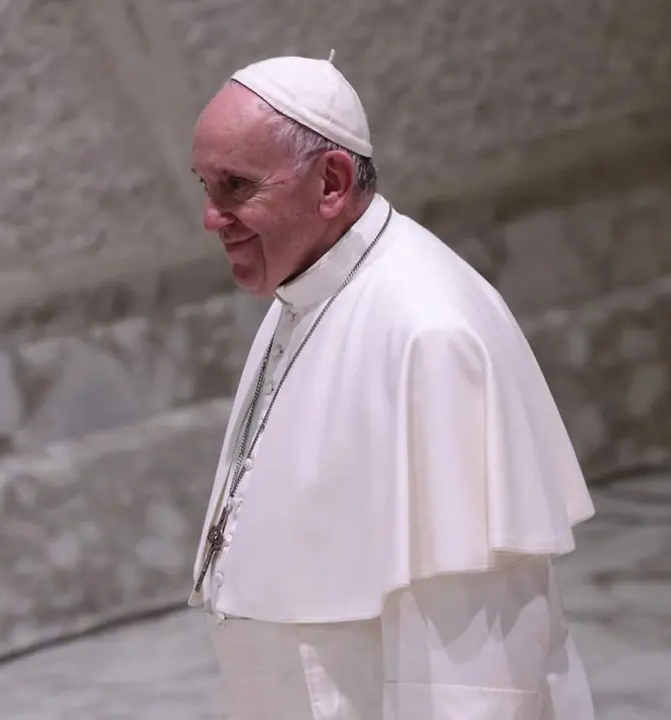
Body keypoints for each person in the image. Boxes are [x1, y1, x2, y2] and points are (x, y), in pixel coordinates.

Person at [187, 51, 597, 720]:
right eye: (205, 186)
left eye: (236, 186)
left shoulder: (429, 335)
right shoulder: (309, 290)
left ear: (331, 182)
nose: (212, 216)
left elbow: (473, 669)